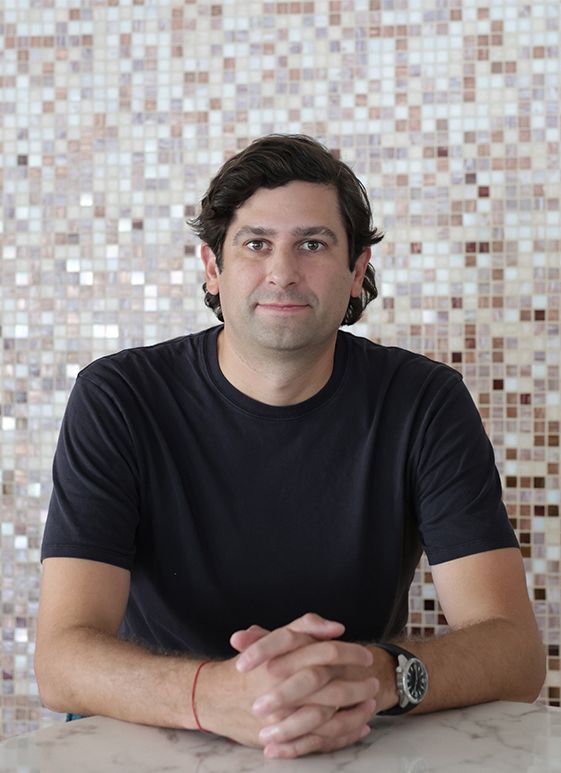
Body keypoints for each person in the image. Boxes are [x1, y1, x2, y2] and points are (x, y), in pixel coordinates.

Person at [35, 134, 545, 759]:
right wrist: (211, 694)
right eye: (256, 244)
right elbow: (61, 659)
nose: (282, 272)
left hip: (351, 731)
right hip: (150, 736)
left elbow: (515, 653)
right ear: (213, 268)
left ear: (356, 271)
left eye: (313, 244)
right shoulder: (118, 397)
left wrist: (377, 676)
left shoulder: (424, 401)